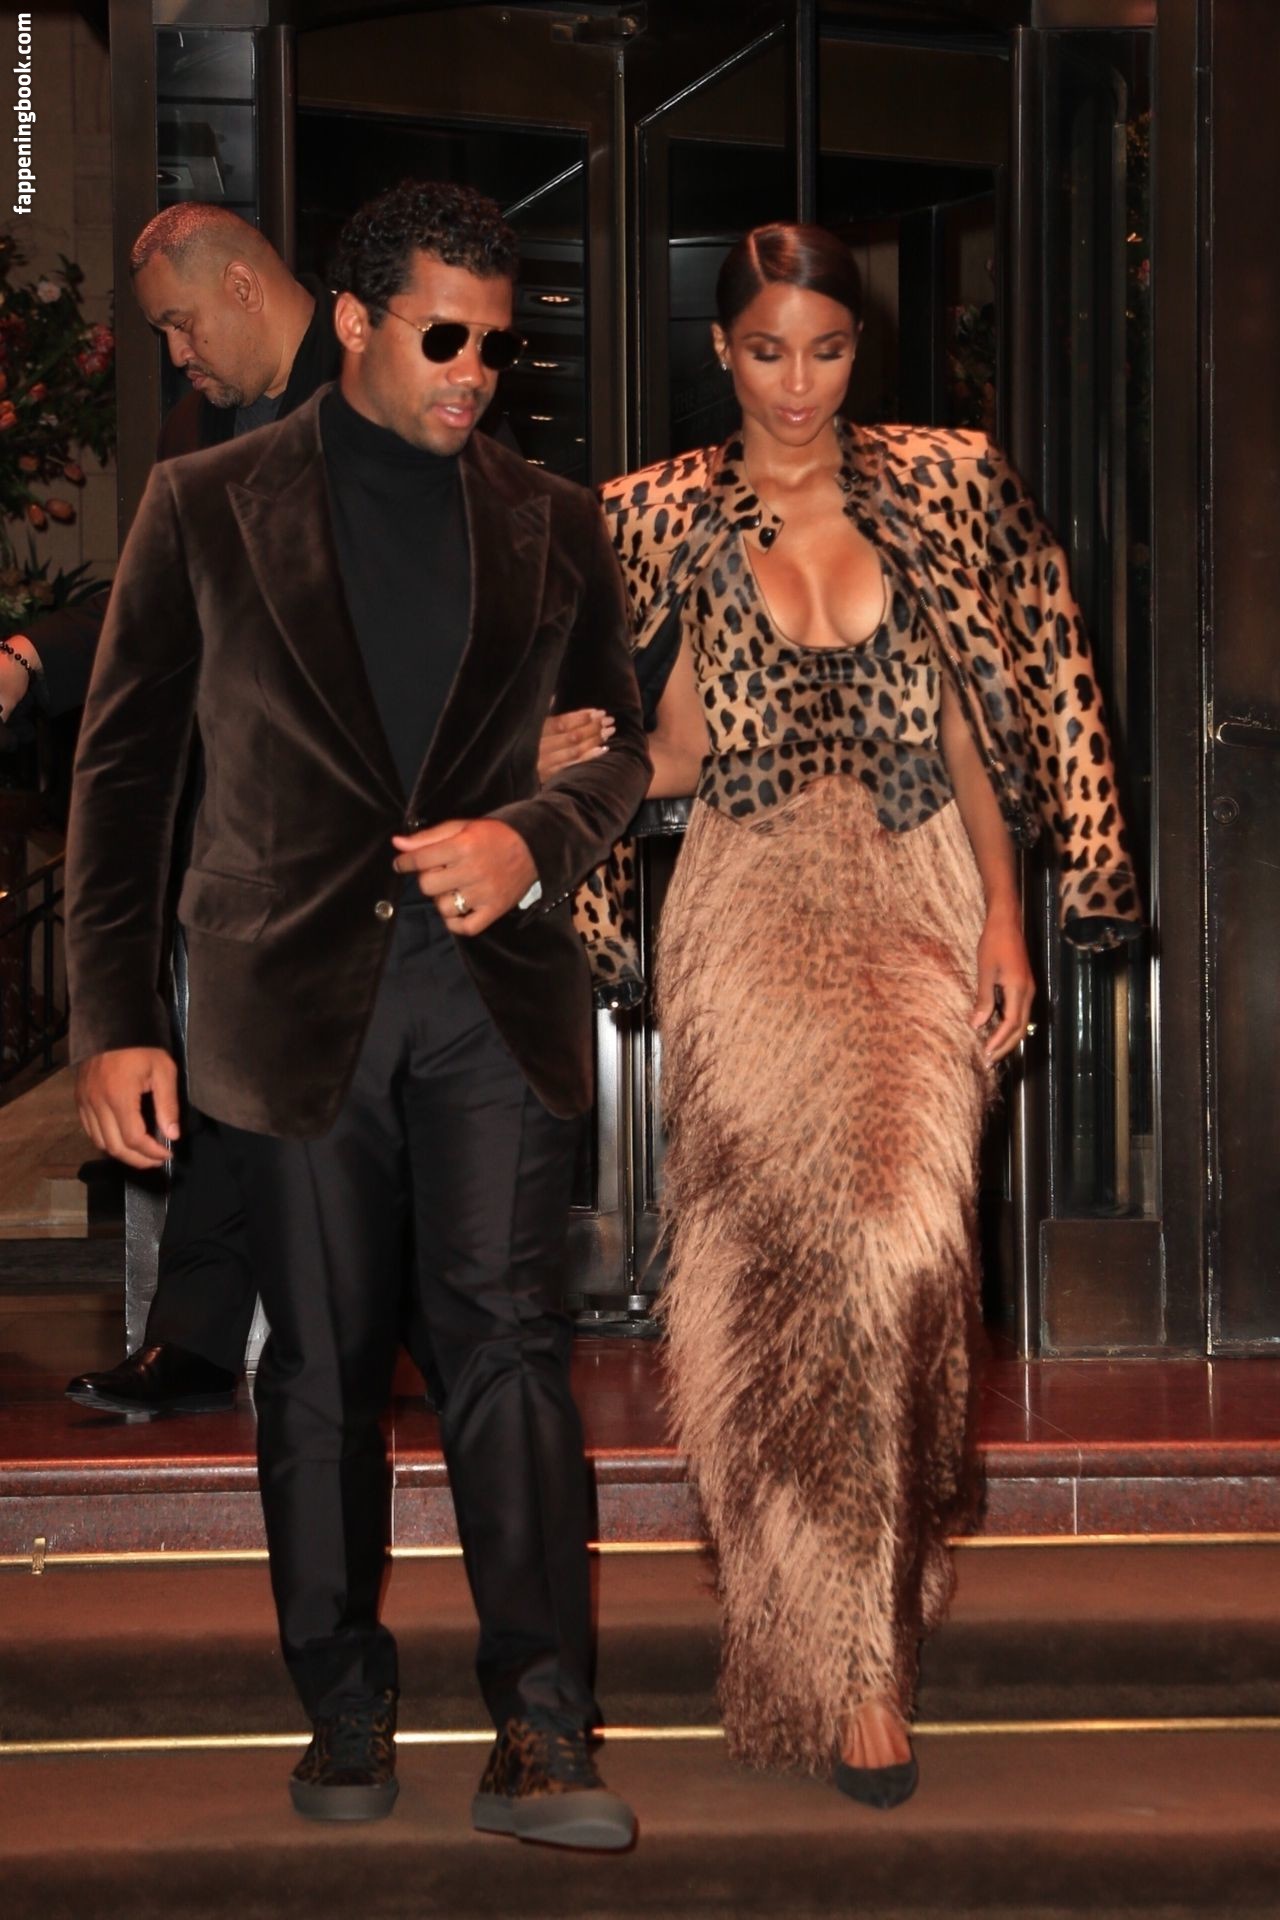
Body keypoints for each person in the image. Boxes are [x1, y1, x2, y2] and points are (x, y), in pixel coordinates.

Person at [65, 179, 649, 1846]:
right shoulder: (206, 503)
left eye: (497, 346)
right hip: (287, 992)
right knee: (316, 1366)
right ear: (353, 320)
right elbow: (124, 776)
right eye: (443, 338)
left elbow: (620, 747)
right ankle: (342, 1703)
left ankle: (545, 1725)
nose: (474, 375)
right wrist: (115, 1017)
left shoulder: (553, 517)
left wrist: (530, 839)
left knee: (509, 1349)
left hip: (490, 991)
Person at [594, 223, 1141, 1808]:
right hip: (751, 906)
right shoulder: (656, 514)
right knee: (782, 1279)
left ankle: (868, 1613)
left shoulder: (942, 484)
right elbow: (675, 750)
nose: (797, 383)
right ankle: (846, 1664)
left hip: (917, 892)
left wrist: (1008, 916)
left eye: (826, 351)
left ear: (859, 350)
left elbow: (980, 716)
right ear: (721, 350)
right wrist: (581, 753)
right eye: (768, 351)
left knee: (903, 1261)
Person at [35, 204, 342, 1416]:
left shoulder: (377, 382)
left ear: (244, 286)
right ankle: (197, 1339)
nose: (175, 354)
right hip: (234, 820)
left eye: (179, 324)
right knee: (218, 1074)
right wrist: (29, 658)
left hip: (366, 820)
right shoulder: (193, 426)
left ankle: (401, 1329)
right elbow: (148, 599)